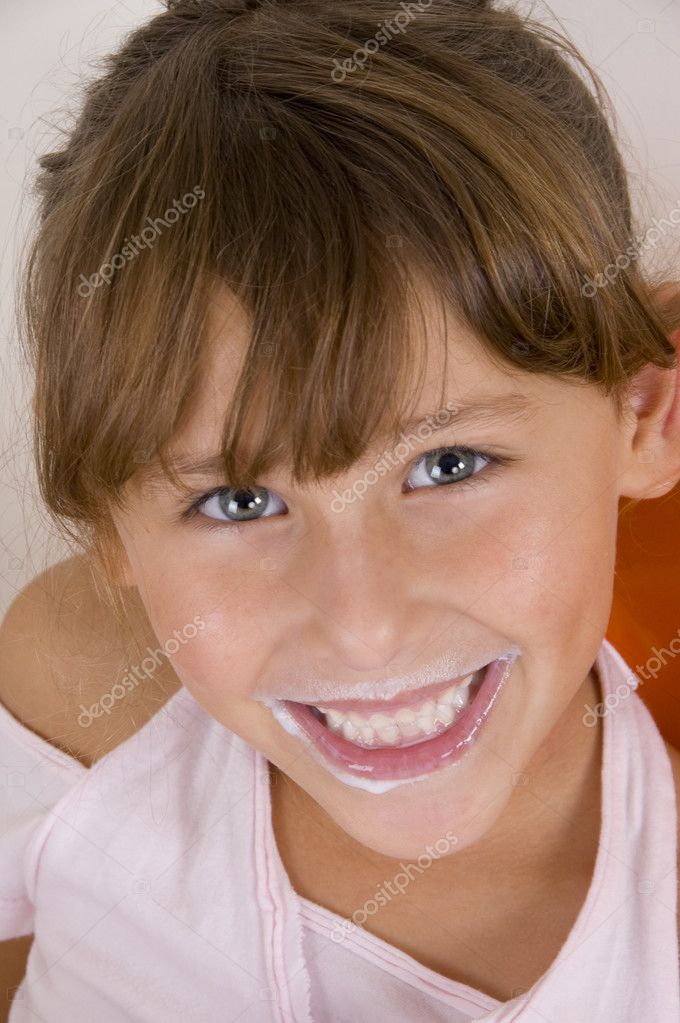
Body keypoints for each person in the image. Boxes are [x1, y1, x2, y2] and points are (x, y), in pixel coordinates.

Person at [1, 1, 679, 1019]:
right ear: (111, 529)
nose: (362, 627)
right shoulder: (81, 682)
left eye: (448, 464)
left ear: (643, 415)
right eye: (238, 500)